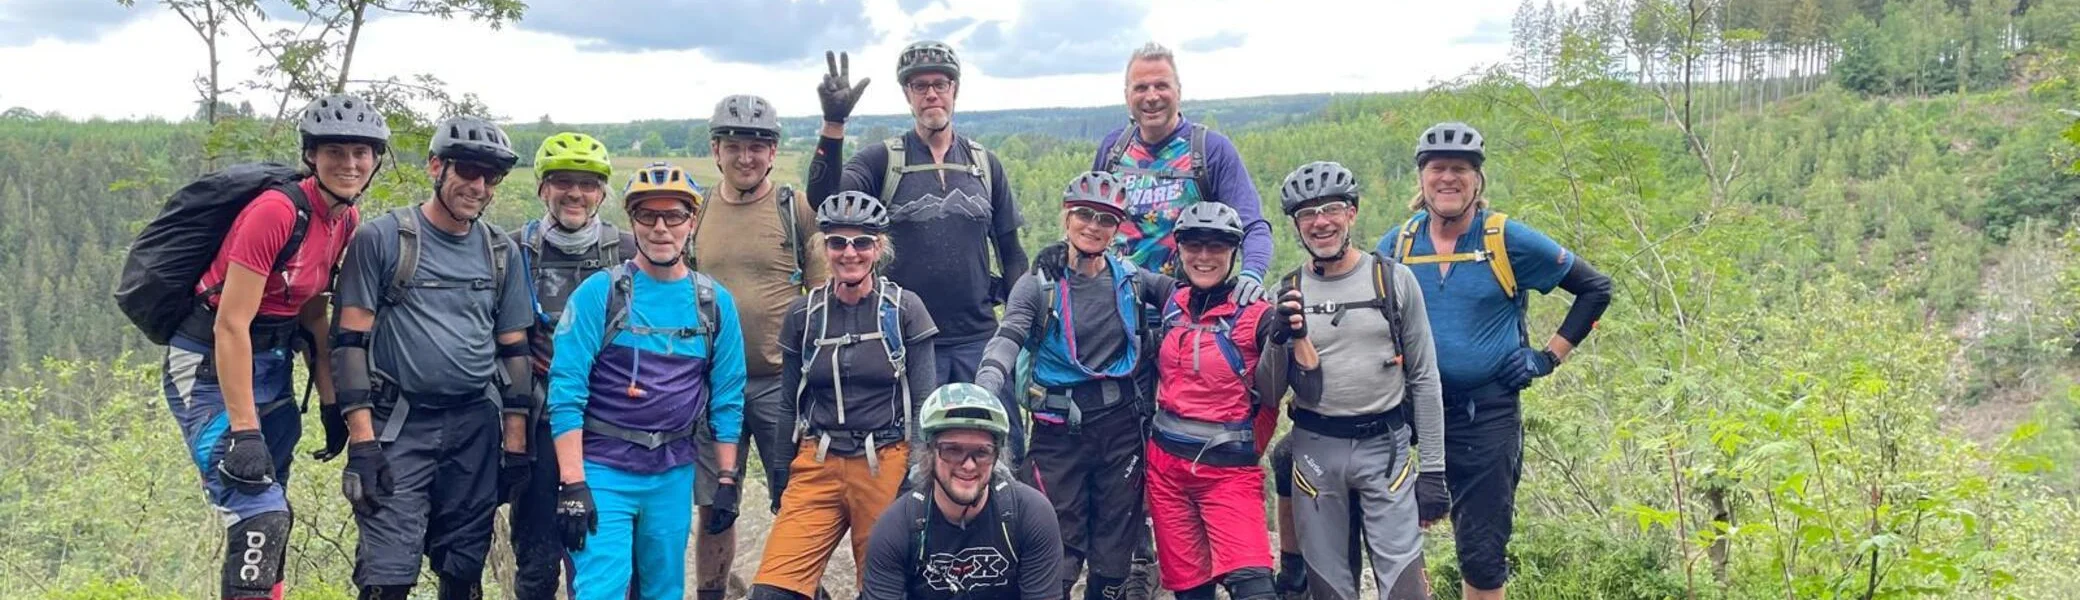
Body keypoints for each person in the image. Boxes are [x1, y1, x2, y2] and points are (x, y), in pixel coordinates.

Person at [1374, 123, 1613, 599]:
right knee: (1389, 536)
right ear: (1420, 180)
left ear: (1477, 180)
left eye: (1459, 169)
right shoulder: (1396, 246)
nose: (1448, 178)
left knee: (1482, 554)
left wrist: (1547, 357)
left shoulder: (1505, 239)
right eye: (1436, 169)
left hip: (1485, 413)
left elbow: (1595, 288)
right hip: (1409, 409)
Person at [160, 93, 383, 600]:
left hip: (273, 364)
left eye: (361, 153)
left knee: (274, 502)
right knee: (258, 513)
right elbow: (230, 325)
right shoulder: (276, 212)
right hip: (207, 365)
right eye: (335, 151)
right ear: (311, 155)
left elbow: (312, 314)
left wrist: (333, 403)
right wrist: (243, 430)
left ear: (375, 160)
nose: (349, 163)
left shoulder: (345, 219)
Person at [331, 115, 533, 600]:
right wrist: (362, 444)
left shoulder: (500, 251)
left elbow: (515, 354)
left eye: (491, 176)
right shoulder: (383, 240)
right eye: (467, 170)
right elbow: (348, 344)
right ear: (436, 166)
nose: (478, 185)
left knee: (462, 573)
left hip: (473, 431)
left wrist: (517, 449)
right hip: (399, 426)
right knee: (387, 578)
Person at [806, 43, 1030, 453]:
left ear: (954, 89)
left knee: (999, 448)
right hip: (903, 339)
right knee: (914, 457)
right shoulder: (881, 160)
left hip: (978, 338)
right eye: (919, 85)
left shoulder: (985, 164)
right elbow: (825, 202)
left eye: (939, 84)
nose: (931, 94)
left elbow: (1012, 253)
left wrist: (1018, 331)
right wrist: (833, 124)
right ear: (907, 94)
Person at [545, 163, 749, 600]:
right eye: (647, 216)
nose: (661, 228)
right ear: (631, 222)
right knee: (601, 589)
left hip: (672, 471)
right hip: (603, 469)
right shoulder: (600, 294)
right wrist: (573, 483)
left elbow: (728, 397)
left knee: (664, 591)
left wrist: (727, 478)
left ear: (691, 222)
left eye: (673, 216)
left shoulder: (713, 303)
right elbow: (565, 391)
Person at [972, 172, 1177, 600]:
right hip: (1057, 433)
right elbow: (1007, 337)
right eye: (1084, 214)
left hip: (1122, 429)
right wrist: (985, 388)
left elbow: (1185, 296)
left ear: (1116, 228)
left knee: (1113, 556)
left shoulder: (1132, 280)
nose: (1093, 226)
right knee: (1055, 554)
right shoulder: (1038, 286)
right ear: (1067, 217)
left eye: (1105, 219)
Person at [1266, 160, 1448, 600]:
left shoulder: (1392, 280)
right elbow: (1269, 393)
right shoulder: (1289, 289)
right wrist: (1277, 341)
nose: (1320, 222)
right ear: (1295, 224)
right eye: (1307, 214)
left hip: (1386, 448)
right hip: (1315, 451)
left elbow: (1424, 377)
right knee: (1329, 589)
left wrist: (1435, 473)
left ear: (1352, 212)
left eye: (1331, 209)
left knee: (1406, 590)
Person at [750, 191, 940, 600]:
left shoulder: (905, 309)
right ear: (824, 247)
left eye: (862, 242)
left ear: (879, 247)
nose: (849, 253)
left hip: (886, 461)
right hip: (817, 460)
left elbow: (925, 402)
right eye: (838, 242)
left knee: (884, 591)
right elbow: (788, 401)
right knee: (772, 592)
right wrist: (780, 473)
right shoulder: (804, 314)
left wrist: (915, 477)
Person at [685, 94, 829, 600]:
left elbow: (822, 296)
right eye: (734, 145)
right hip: (710, 385)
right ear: (715, 150)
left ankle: (793, 588)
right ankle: (711, 593)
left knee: (793, 500)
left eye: (757, 146)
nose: (745, 157)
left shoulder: (795, 209)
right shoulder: (696, 211)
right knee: (715, 504)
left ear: (772, 153)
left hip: (778, 383)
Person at [507, 131, 638, 600]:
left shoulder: (629, 252)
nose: (575, 194)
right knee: (537, 557)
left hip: (612, 423)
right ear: (542, 187)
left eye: (587, 184)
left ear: (603, 191)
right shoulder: (512, 251)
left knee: (609, 555)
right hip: (538, 419)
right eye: (563, 182)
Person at [1143, 202, 1283, 600]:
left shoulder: (1256, 315)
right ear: (1180, 250)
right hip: (1167, 471)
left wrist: (1285, 335)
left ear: (1234, 252)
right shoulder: (1172, 301)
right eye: (1194, 245)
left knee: (1254, 586)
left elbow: (1276, 391)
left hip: (1228, 474)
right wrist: (1063, 256)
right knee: (1191, 591)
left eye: (1217, 247)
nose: (1204, 256)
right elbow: (1119, 274)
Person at [1092, 42, 1272, 303]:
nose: (1151, 96)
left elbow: (1252, 224)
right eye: (1140, 88)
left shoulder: (1210, 150)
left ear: (1178, 91)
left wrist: (1252, 274)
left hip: (1187, 310)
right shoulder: (1114, 149)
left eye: (1161, 85)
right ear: (1127, 95)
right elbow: (1090, 220)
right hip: (1116, 307)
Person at [859, 383, 1065, 600]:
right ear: (930, 452)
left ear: (997, 456)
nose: (968, 465)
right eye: (953, 450)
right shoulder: (896, 526)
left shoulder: (1030, 514)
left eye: (982, 452)